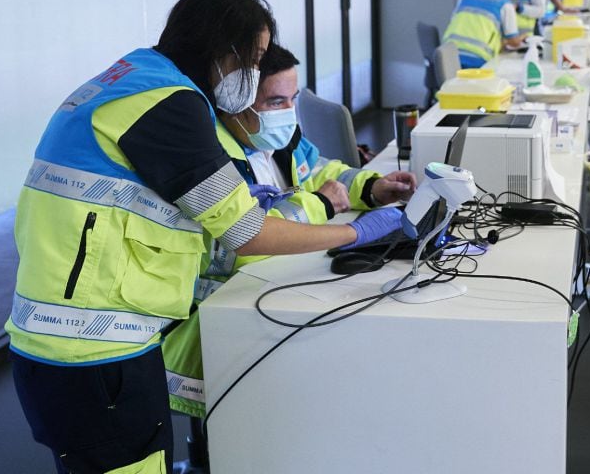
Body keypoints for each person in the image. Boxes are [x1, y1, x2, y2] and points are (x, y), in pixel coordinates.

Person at [7, 0, 407, 474]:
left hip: (70, 343)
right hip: (95, 351)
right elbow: (248, 232)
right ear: (224, 50)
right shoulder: (166, 103)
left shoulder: (133, 79)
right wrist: (358, 233)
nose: (255, 72)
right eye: (254, 59)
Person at [161, 42, 416, 424]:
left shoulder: (279, 138)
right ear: (237, 101)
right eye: (276, 102)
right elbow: (246, 244)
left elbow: (321, 171)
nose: (289, 112)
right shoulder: (211, 158)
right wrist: (323, 206)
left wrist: (371, 187)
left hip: (271, 302)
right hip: (216, 331)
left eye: (293, 99)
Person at [444, 0, 528, 68]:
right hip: (476, 60)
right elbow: (514, 41)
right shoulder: (505, 4)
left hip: (448, 56)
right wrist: (522, 38)